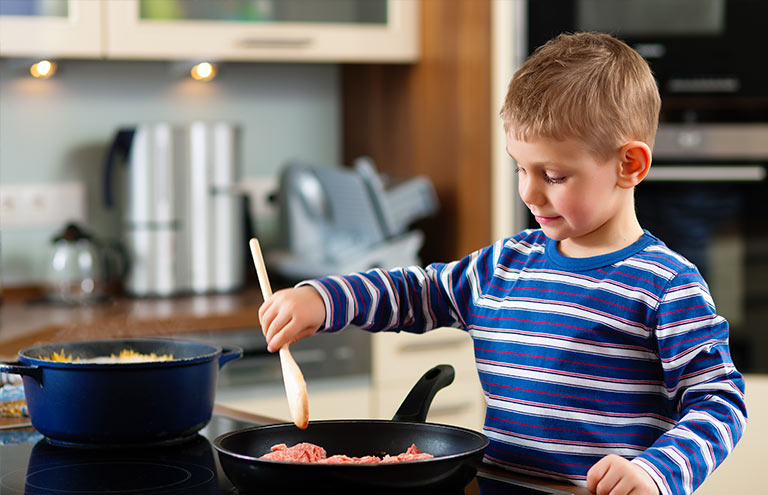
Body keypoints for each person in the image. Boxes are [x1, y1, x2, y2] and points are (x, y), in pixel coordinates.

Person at [258, 32, 747, 495]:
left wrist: (654, 472)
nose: (529, 192)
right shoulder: (506, 264)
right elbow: (418, 292)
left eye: (553, 175)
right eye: (520, 167)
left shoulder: (666, 285)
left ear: (629, 166)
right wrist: (322, 300)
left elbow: (719, 402)